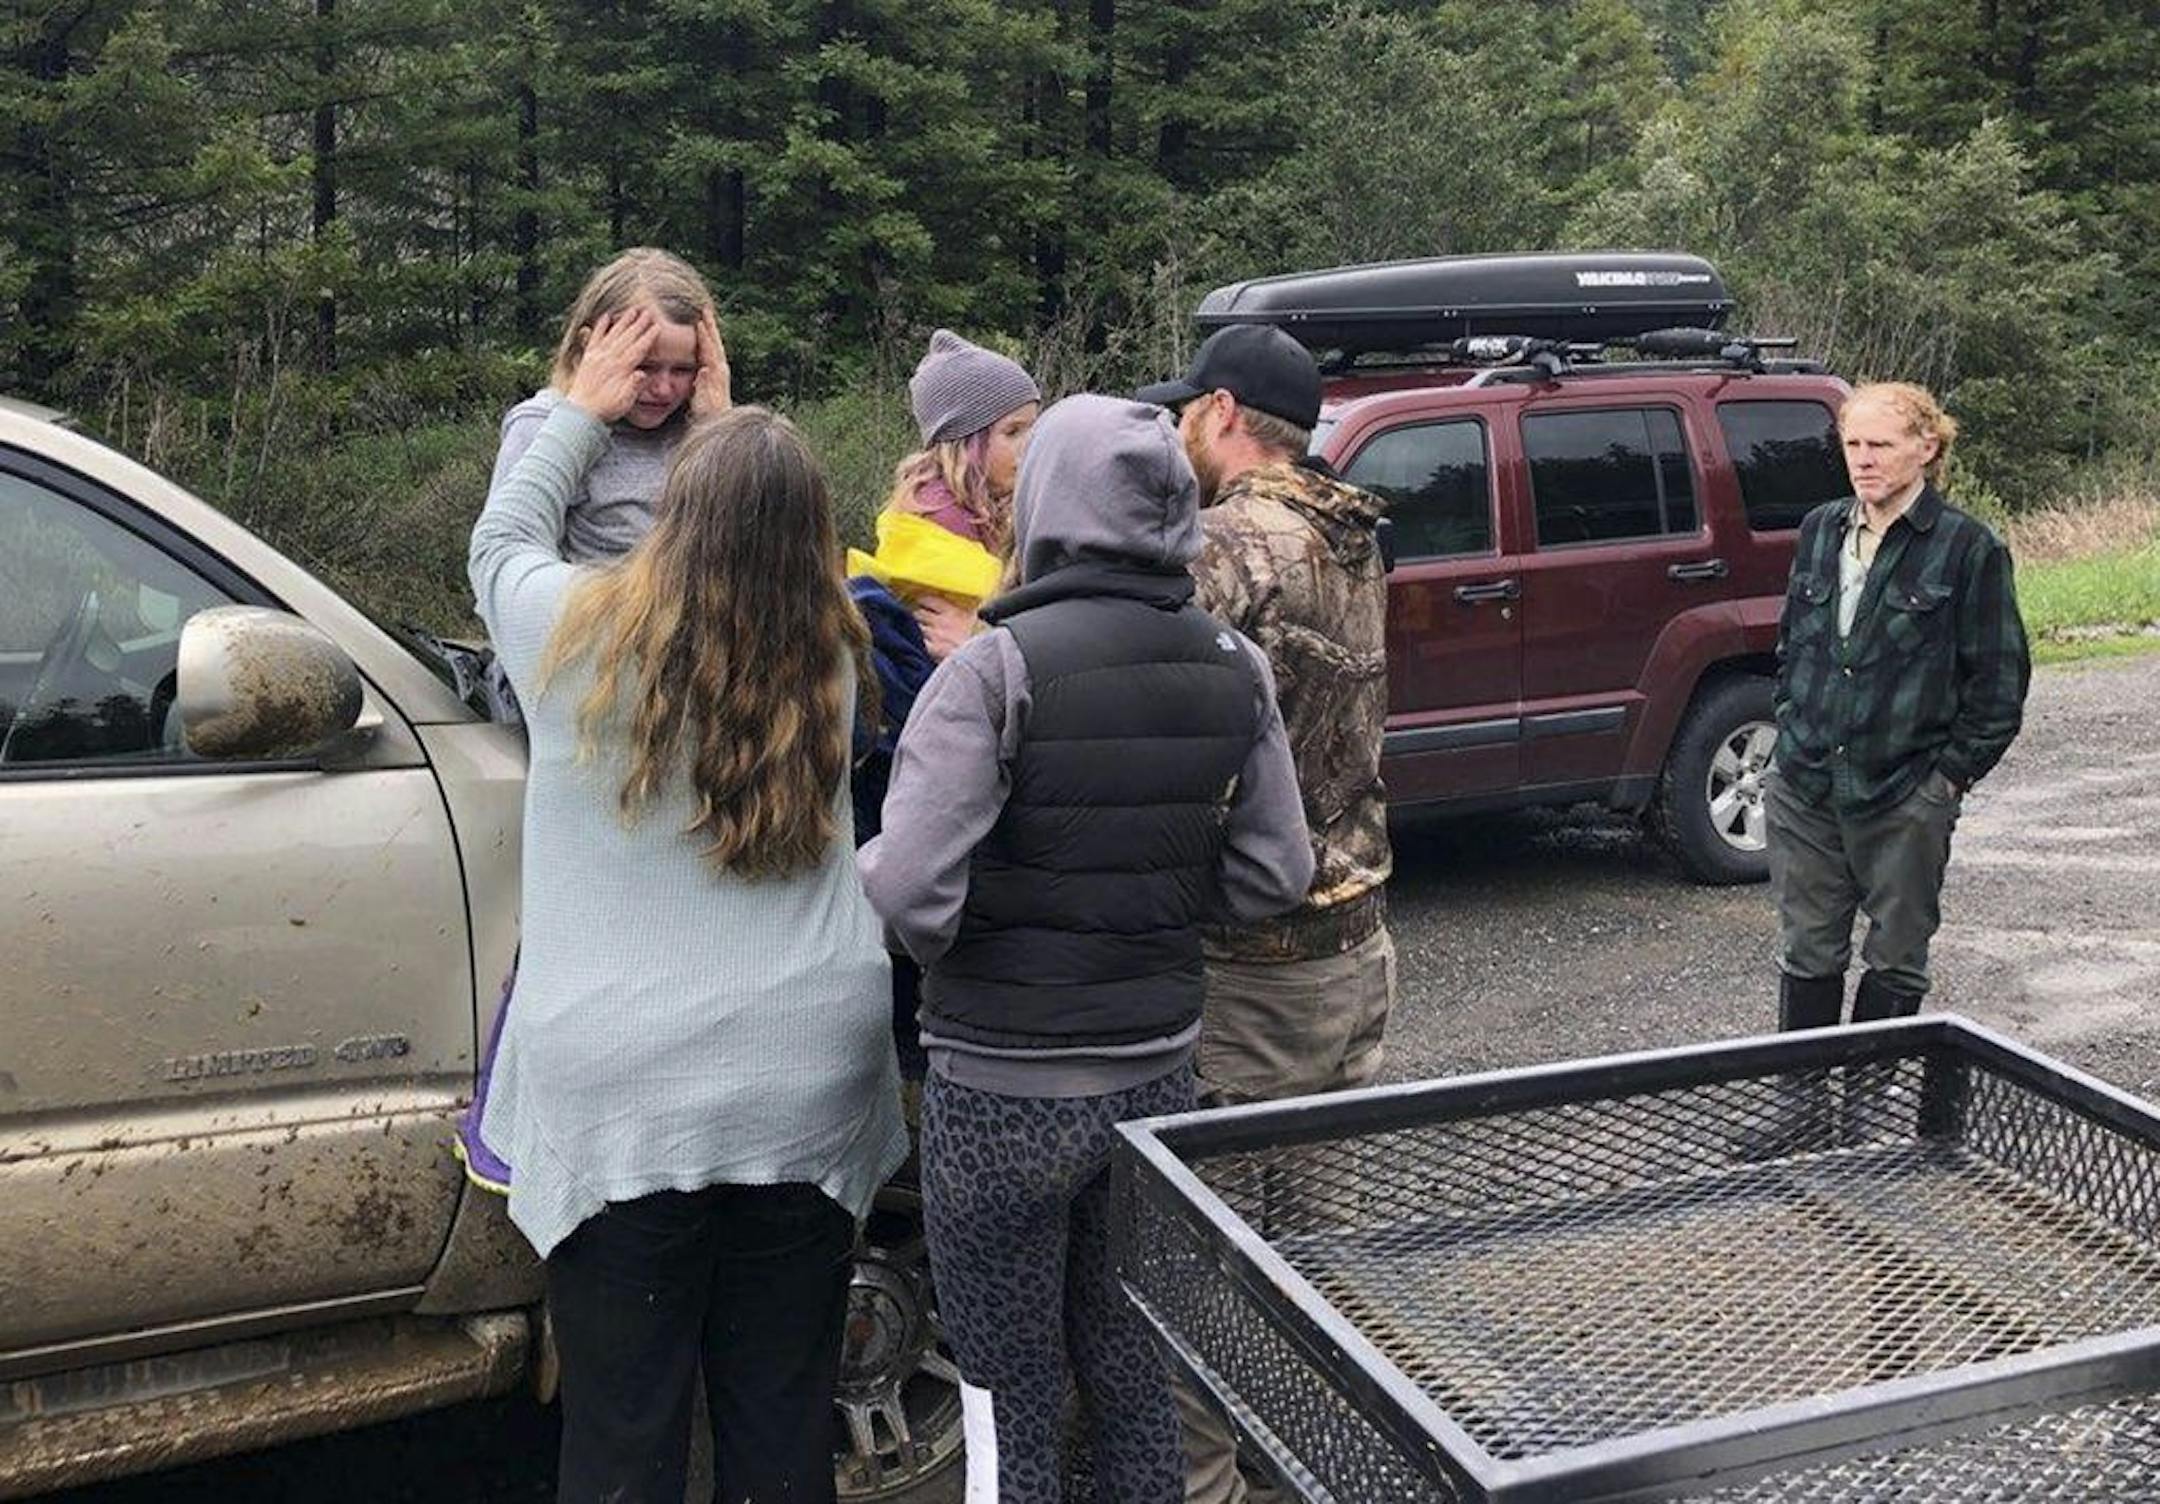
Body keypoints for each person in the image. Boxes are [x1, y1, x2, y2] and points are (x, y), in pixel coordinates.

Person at [467, 324, 908, 1504]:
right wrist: (730, 426)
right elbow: (758, 539)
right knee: (779, 1420)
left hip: (627, 1096)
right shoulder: (835, 648)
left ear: (672, 512)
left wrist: (577, 404)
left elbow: (501, 535)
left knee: (624, 1435)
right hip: (809, 1075)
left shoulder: (576, 634)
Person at [858, 394, 1314, 1504]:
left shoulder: (993, 669)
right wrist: (1149, 894)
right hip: (1156, 1077)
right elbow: (1276, 876)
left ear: (1052, 500)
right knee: (1131, 1375)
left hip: (1000, 1087)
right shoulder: (1232, 661)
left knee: (1007, 1396)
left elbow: (914, 891)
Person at [1138, 325, 1393, 1502]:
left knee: (1197, 1253)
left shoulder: (1234, 540)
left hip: (1255, 960)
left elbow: (1142, 683)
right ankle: (1314, 1467)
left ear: (1224, 412)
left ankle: (1211, 1488)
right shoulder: (1354, 531)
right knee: (1317, 1254)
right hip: (1358, 944)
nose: (1179, 429)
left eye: (1187, 410)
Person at [456, 247, 730, 1191]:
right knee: (580, 905)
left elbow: (735, 544)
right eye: (643, 365)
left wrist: (718, 425)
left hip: (693, 694)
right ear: (589, 345)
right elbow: (507, 556)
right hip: (586, 691)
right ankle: (508, 1111)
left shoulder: (699, 428)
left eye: (680, 368)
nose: (660, 388)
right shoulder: (543, 426)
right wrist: (583, 406)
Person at [1767, 380, 2030, 1034]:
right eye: (1852, 444)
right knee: (1807, 947)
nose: (1863, 459)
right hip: (1806, 783)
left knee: (1897, 955)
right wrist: (1790, 731)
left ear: (1926, 448)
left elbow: (1999, 684)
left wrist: (1944, 782)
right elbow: (1792, 647)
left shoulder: (1969, 548)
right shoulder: (1821, 530)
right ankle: (1800, 1100)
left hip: (1905, 792)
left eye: (1880, 445)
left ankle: (1866, 1107)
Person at [847, 332, 1039, 1074]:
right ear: (964, 445)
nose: (1031, 445)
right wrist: (987, 641)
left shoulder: (999, 526)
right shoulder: (924, 558)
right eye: (1015, 431)